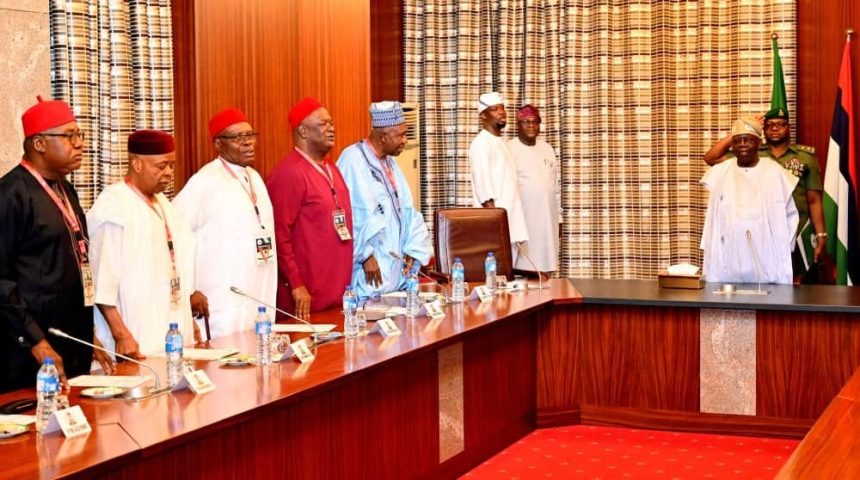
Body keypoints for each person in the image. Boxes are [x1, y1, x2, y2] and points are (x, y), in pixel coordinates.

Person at [0, 96, 112, 392]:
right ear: (39, 144)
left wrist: (87, 335)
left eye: (80, 135)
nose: (79, 144)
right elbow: (1, 281)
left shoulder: (66, 190)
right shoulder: (10, 194)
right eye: (69, 135)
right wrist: (36, 341)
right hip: (28, 352)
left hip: (70, 342)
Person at [88, 130, 204, 358]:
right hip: (134, 336)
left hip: (170, 332)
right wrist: (121, 334)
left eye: (171, 165)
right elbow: (103, 280)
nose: (169, 172)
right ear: (137, 164)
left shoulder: (163, 204)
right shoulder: (113, 206)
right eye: (161, 166)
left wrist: (186, 319)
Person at [174, 108, 276, 339]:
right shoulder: (204, 182)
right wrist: (189, 289)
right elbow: (176, 235)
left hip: (256, 286)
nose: (248, 143)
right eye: (238, 137)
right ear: (218, 145)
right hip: (222, 296)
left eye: (250, 135)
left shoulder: (255, 178)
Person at [704, 108, 825, 280]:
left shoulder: (804, 157)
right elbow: (711, 157)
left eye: (780, 125)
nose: (775, 129)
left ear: (788, 127)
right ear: (763, 132)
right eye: (770, 125)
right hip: (749, 237)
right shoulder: (749, 153)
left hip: (794, 233)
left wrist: (821, 235)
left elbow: (814, 201)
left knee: (792, 283)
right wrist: (743, 127)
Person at [267, 97, 353, 320]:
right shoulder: (289, 173)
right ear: (303, 131)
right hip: (305, 299)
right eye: (323, 124)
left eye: (331, 123)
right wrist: (295, 283)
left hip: (336, 294)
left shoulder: (332, 168)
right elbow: (278, 234)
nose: (331, 129)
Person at [337, 101, 432, 298]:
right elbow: (347, 214)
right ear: (382, 137)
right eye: (400, 135)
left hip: (395, 273)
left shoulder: (390, 163)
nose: (405, 140)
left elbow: (407, 210)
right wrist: (365, 256)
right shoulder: (352, 160)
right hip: (367, 270)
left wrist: (413, 249)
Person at [468, 92, 529, 262]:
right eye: (494, 109)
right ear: (483, 116)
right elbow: (484, 192)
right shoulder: (481, 144)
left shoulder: (500, 143)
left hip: (510, 225)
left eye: (502, 108)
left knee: (507, 281)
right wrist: (497, 231)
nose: (501, 112)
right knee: (495, 279)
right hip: (495, 229)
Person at [506, 104, 562, 278]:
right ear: (518, 125)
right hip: (524, 221)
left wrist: (559, 218)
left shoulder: (547, 148)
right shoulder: (508, 149)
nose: (531, 126)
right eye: (526, 122)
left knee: (547, 268)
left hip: (548, 220)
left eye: (535, 122)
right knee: (525, 270)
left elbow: (555, 186)